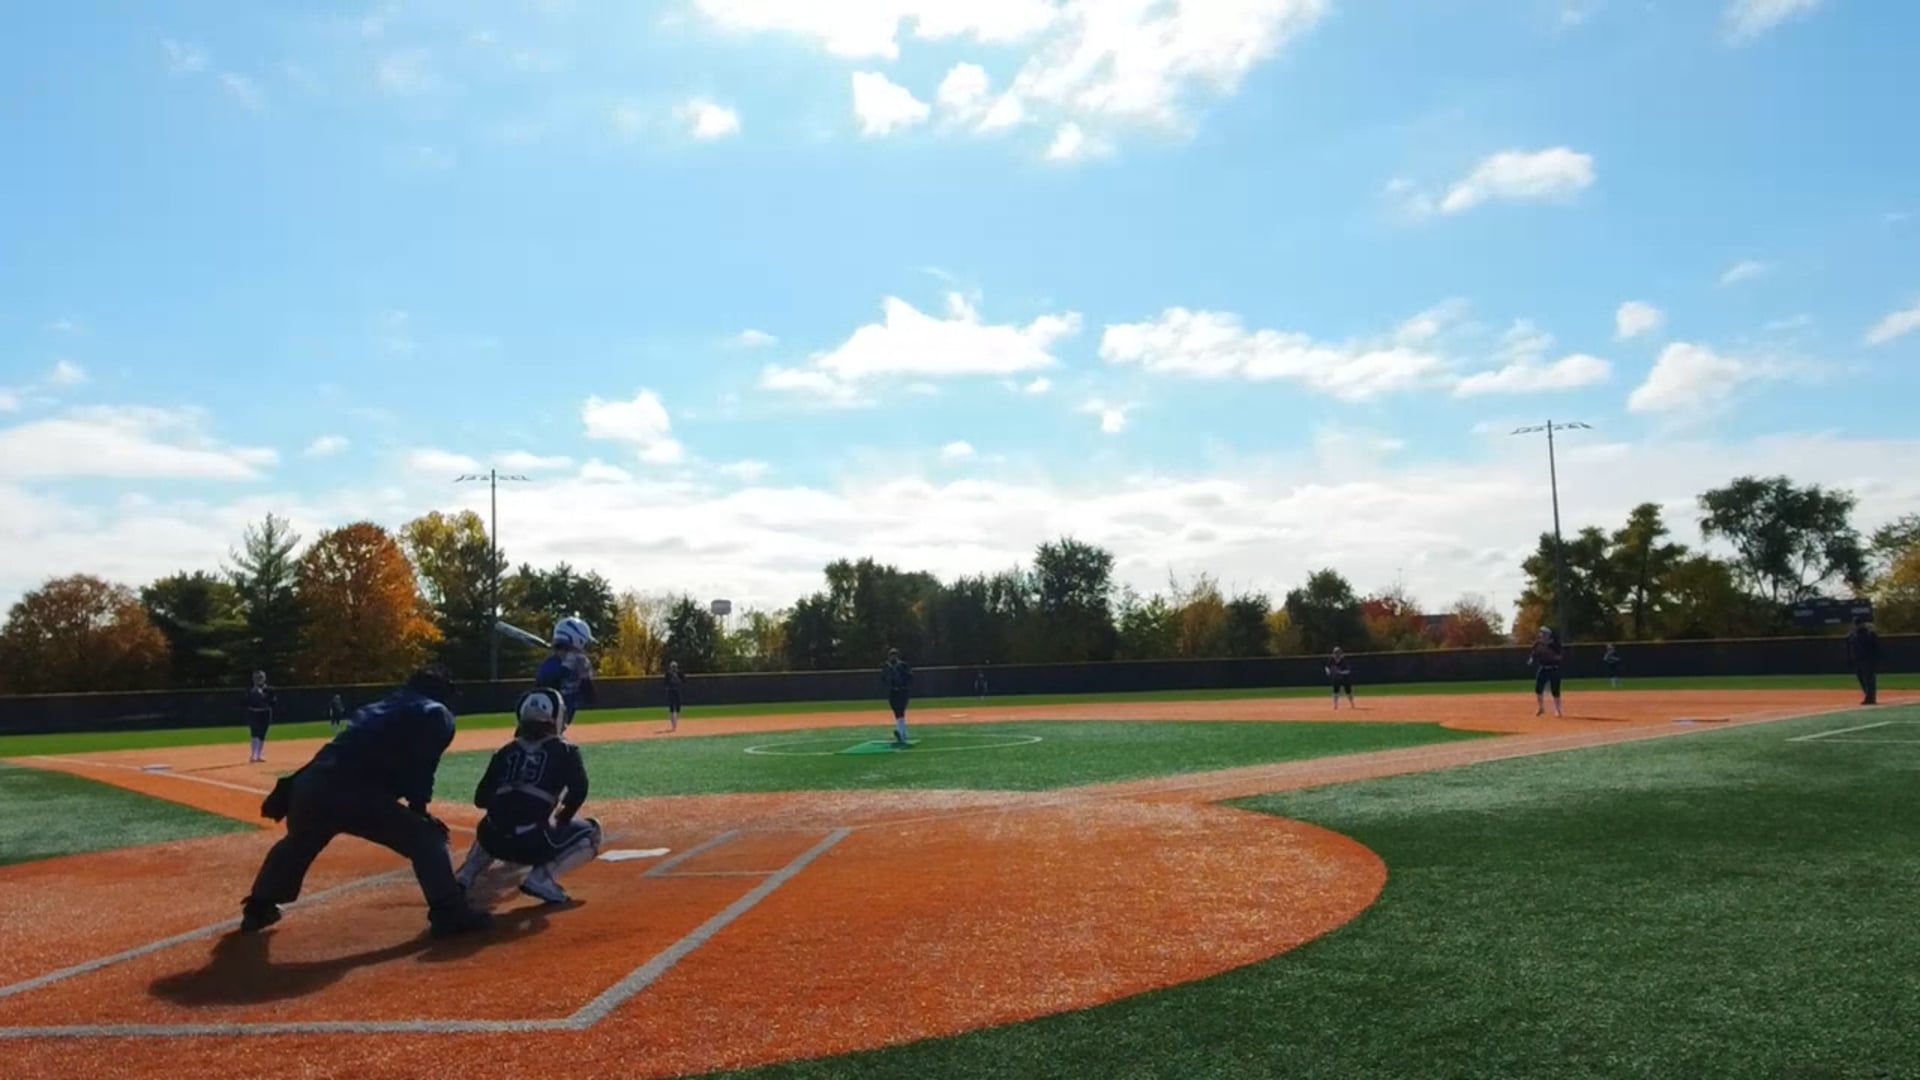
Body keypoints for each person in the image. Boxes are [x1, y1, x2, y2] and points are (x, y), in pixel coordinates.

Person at [240, 664, 491, 938]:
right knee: (428, 839)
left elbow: (342, 747)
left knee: (297, 844)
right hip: (353, 791)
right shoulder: (435, 712)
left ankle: (258, 906)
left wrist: (296, 787)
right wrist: (419, 810)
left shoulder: (387, 703)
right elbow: (423, 764)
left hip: (310, 784)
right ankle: (449, 912)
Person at [453, 687, 601, 905]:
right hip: (532, 844)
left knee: (494, 819)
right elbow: (579, 791)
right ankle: (541, 878)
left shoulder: (505, 751)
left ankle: (466, 874)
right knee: (592, 831)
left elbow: (480, 799)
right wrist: (561, 817)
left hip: (492, 840)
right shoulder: (566, 751)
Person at [535, 616, 597, 729]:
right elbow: (544, 694)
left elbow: (590, 698)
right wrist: (565, 669)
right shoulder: (550, 665)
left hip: (562, 721)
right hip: (545, 724)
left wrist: (584, 676)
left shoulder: (580, 663)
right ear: (578, 640)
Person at [1529, 627, 1566, 717]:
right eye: (1541, 633)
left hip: (1554, 668)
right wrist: (1531, 659)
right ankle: (1541, 708)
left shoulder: (1555, 644)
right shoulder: (1538, 643)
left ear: (1549, 634)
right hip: (1543, 668)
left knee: (1555, 689)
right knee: (1538, 688)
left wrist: (1552, 656)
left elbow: (1560, 656)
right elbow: (1533, 653)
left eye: (1544, 633)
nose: (1542, 635)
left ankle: (1557, 710)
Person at [882, 648, 913, 747]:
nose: (893, 657)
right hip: (892, 691)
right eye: (891, 655)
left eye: (894, 655)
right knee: (896, 711)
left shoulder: (903, 665)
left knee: (901, 710)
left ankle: (901, 732)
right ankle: (902, 732)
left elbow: (910, 676)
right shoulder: (887, 666)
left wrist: (903, 683)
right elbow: (883, 677)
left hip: (902, 691)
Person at [1847, 614, 1881, 706]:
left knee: (1869, 679)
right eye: (1856, 624)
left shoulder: (1869, 634)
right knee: (1861, 679)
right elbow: (1850, 648)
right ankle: (1868, 695)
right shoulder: (1852, 635)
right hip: (1857, 660)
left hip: (1868, 659)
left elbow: (1876, 647)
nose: (1857, 625)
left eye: (1859, 623)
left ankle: (1870, 697)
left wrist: (1875, 659)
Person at [245, 671, 275, 763]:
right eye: (256, 678)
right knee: (255, 732)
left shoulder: (269, 689)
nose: (258, 679)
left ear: (264, 678)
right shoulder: (249, 689)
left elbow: (272, 701)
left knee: (262, 733)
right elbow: (245, 701)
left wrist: (263, 695)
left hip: (265, 713)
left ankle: (259, 754)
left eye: (261, 677)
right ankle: (253, 755)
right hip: (253, 712)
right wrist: (254, 693)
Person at [664, 660, 684, 733]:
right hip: (671, 691)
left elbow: (684, 680)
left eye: (675, 666)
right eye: (673, 666)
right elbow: (665, 682)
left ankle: (676, 722)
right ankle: (673, 724)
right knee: (671, 707)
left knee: (678, 707)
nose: (674, 668)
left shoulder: (679, 673)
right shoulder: (668, 674)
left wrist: (679, 680)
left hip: (677, 691)